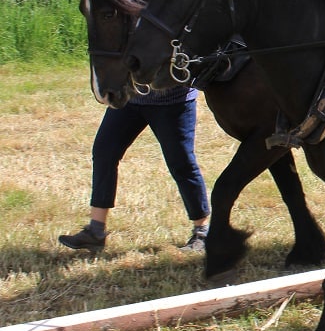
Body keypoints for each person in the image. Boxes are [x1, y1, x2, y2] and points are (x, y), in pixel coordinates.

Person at [59, 86, 211, 252]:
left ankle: (202, 232)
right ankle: (95, 232)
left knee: (181, 163)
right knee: (105, 152)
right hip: (129, 96)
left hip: (172, 100)